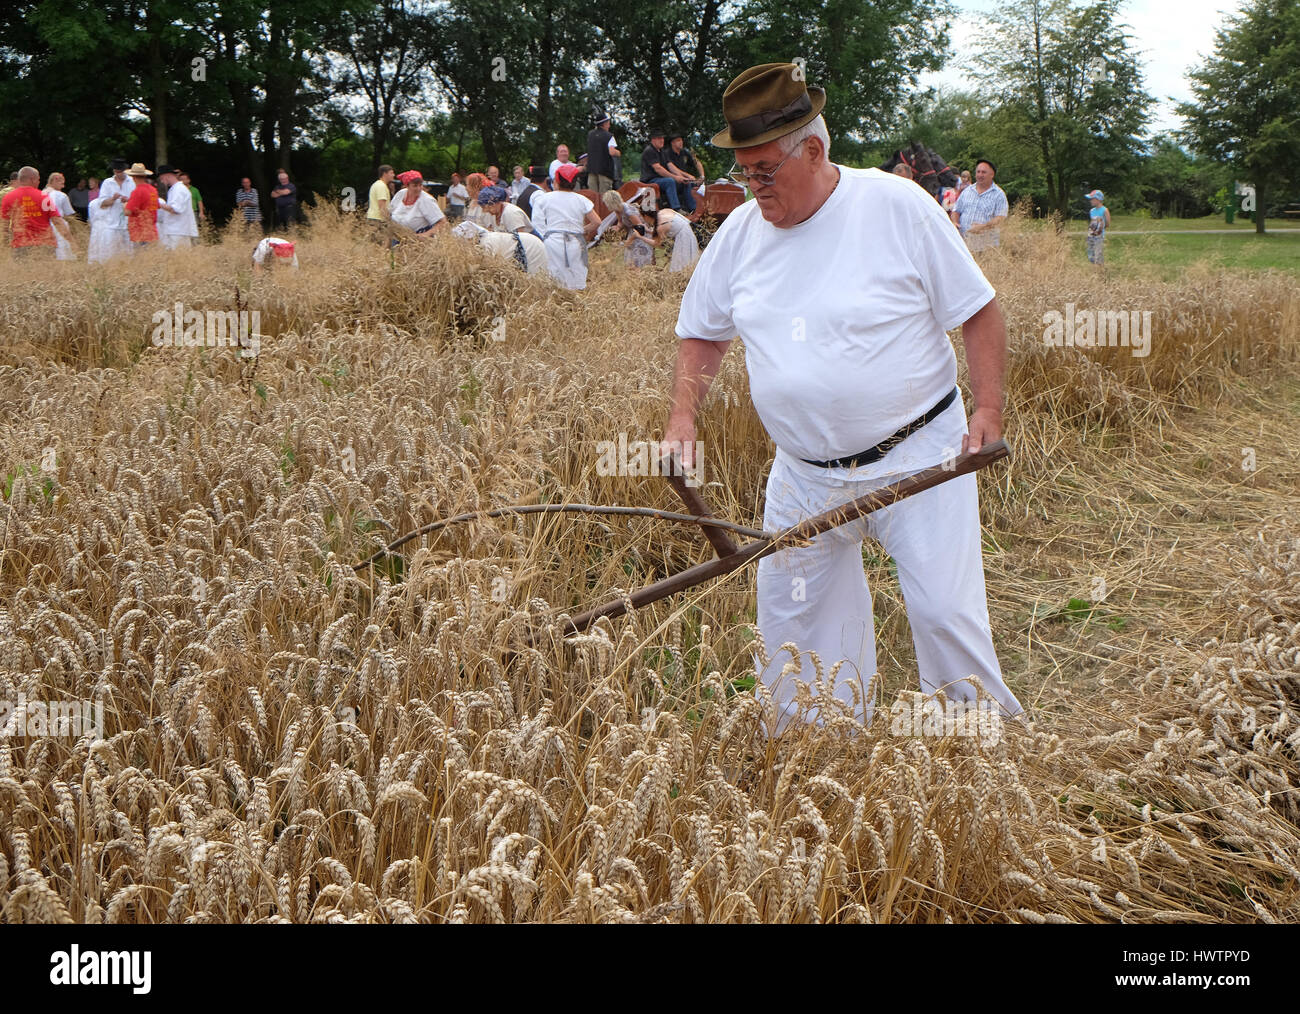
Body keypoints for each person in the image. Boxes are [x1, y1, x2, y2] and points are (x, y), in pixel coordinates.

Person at [664, 62, 1024, 733]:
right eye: (744, 171)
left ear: (815, 150)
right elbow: (701, 333)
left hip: (921, 456)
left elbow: (979, 310)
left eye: (765, 169)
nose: (753, 186)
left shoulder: (896, 207)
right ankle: (815, 752)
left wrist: (988, 410)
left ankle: (976, 768)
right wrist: (683, 415)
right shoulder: (741, 234)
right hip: (803, 474)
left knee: (945, 614)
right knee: (796, 620)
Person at [530, 163, 601, 289]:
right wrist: (582, 230)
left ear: (556, 181)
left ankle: (558, 301)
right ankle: (576, 301)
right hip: (575, 241)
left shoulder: (543, 199)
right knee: (576, 273)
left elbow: (536, 223)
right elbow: (597, 222)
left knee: (555, 275)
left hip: (552, 241)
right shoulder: (581, 199)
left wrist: (545, 237)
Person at [2, 166, 70, 257]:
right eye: (38, 179)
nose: (39, 182)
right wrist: (71, 241)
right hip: (45, 246)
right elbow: (57, 221)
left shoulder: (8, 197)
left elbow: (3, 225)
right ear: (32, 179)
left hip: (20, 247)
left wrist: (4, 245)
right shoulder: (44, 197)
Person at [451, 219, 549, 275]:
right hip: (526, 244)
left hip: (531, 248)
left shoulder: (486, 243)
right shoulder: (482, 242)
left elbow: (489, 269)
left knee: (533, 279)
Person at [950, 158, 1008, 252]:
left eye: (984, 172)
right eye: (978, 172)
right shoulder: (967, 191)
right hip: (964, 244)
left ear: (991, 175)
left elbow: (1000, 218)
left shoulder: (999, 194)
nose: (980, 175)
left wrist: (983, 226)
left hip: (986, 246)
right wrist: (955, 222)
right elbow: (956, 210)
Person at [88, 159, 134, 263]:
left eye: (120, 172)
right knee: (110, 254)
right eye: (116, 171)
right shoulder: (108, 183)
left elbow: (137, 201)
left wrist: (128, 201)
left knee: (129, 254)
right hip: (112, 223)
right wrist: (113, 199)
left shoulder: (132, 181)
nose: (118, 174)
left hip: (129, 224)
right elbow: (102, 203)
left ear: (125, 170)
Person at [601, 190, 657, 267]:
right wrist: (617, 228)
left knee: (639, 258)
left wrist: (629, 240)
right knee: (630, 259)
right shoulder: (618, 210)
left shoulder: (628, 212)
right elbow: (620, 222)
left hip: (641, 234)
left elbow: (640, 227)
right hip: (633, 231)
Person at [640, 128, 690, 212]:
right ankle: (676, 208)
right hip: (650, 180)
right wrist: (675, 177)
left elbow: (670, 165)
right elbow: (658, 169)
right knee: (670, 181)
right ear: (653, 140)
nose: (662, 140)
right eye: (659, 138)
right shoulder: (649, 151)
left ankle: (692, 208)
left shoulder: (662, 151)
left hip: (660, 179)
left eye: (662, 138)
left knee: (686, 183)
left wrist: (682, 177)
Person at [388, 170, 447, 241]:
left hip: (417, 242)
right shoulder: (400, 194)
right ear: (407, 185)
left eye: (420, 185)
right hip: (397, 238)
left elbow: (442, 222)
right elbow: (390, 213)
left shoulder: (426, 200)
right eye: (415, 186)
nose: (419, 188)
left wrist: (426, 234)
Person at [155, 165, 198, 249]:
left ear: (166, 176)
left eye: (161, 178)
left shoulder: (179, 189)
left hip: (178, 230)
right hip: (175, 230)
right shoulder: (175, 189)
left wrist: (158, 204)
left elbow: (175, 209)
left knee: (179, 257)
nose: (161, 181)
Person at [42, 172, 77, 260]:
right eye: (62, 183)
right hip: (59, 225)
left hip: (43, 226)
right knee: (63, 253)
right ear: (55, 180)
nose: (63, 186)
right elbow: (69, 213)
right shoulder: (61, 196)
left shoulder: (41, 194)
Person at [123, 163, 159, 247]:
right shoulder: (153, 190)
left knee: (140, 257)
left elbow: (127, 212)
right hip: (152, 231)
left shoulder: (137, 191)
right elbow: (156, 206)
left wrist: (125, 204)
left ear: (133, 177)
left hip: (140, 232)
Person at [586, 113, 622, 197]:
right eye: (608, 123)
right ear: (604, 124)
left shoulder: (590, 135)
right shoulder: (609, 136)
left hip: (591, 170)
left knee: (593, 197)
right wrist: (619, 153)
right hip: (604, 171)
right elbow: (612, 152)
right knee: (604, 197)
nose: (609, 126)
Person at [655, 206, 699, 272]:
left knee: (683, 263)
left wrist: (640, 237)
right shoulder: (665, 211)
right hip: (689, 230)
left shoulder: (660, 226)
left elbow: (659, 244)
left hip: (683, 237)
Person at [667, 132, 702, 214]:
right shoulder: (667, 153)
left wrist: (702, 176)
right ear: (672, 143)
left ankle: (704, 207)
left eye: (681, 140)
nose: (681, 142)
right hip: (674, 180)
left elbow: (696, 162)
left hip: (684, 179)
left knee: (699, 185)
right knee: (687, 183)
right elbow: (673, 169)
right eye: (678, 140)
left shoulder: (684, 152)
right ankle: (693, 209)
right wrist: (688, 177)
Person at [1085, 189, 1110, 265]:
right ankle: (1096, 269)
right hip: (1091, 235)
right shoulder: (1091, 211)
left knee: (1098, 255)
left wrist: (1099, 229)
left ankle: (1100, 272)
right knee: (1090, 255)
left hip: (1099, 236)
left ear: (1098, 199)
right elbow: (1092, 222)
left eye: (1092, 199)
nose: (1090, 201)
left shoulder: (1105, 210)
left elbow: (1108, 223)